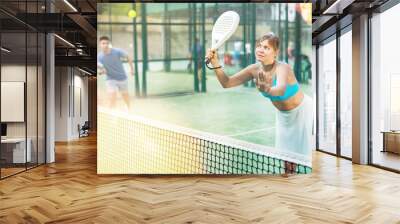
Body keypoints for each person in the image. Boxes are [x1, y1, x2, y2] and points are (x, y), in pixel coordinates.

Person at [205, 32, 313, 174]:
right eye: (259, 46)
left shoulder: (283, 68)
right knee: (288, 163)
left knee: (312, 155)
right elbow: (227, 82)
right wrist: (216, 64)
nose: (261, 50)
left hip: (304, 113)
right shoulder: (254, 69)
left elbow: (280, 90)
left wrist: (268, 89)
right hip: (284, 117)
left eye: (267, 47)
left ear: (276, 52)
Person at [97, 36, 134, 110]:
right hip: (110, 79)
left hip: (122, 77)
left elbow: (128, 57)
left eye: (107, 43)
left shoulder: (117, 51)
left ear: (109, 44)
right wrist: (101, 71)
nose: (105, 45)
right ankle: (111, 114)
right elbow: (100, 69)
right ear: (100, 45)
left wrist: (132, 69)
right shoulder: (99, 56)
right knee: (112, 97)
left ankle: (129, 108)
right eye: (103, 43)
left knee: (125, 96)